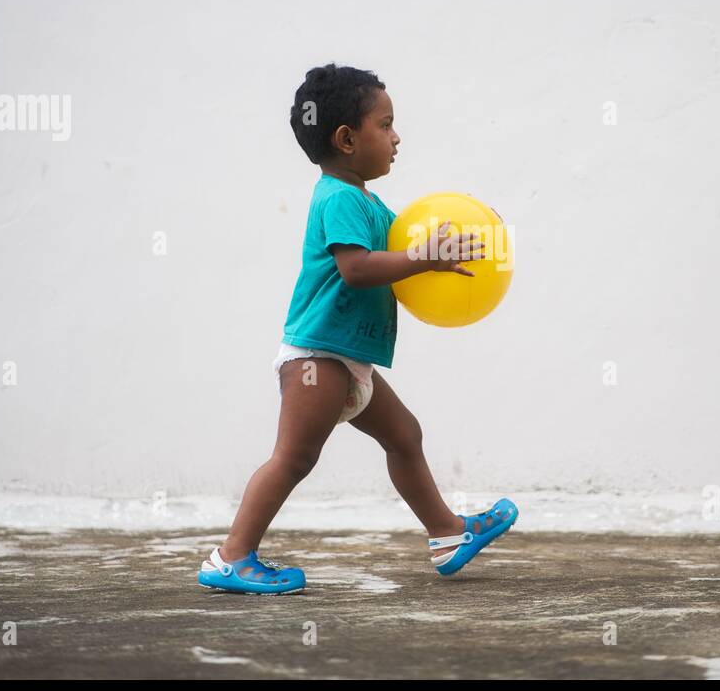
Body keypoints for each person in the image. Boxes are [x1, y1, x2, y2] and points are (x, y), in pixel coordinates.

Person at [198, 63, 518, 594]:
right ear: (347, 138)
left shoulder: (367, 201)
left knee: (404, 435)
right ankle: (230, 557)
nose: (396, 138)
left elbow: (400, 252)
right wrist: (423, 259)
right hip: (317, 359)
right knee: (294, 458)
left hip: (348, 359)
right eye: (386, 125)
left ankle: (445, 534)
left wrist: (466, 232)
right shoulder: (339, 197)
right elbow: (358, 268)